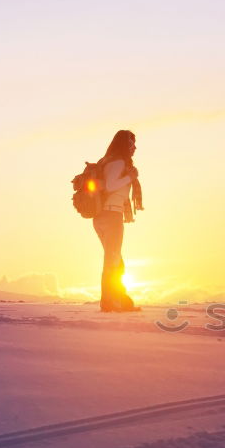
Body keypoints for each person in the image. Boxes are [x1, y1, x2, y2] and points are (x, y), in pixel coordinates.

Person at [94, 129, 143, 312]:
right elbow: (110, 185)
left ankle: (120, 300)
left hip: (103, 216)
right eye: (132, 144)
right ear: (124, 144)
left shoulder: (107, 161)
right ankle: (110, 303)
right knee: (112, 261)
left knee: (116, 261)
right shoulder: (118, 162)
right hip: (111, 215)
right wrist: (130, 177)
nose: (135, 148)